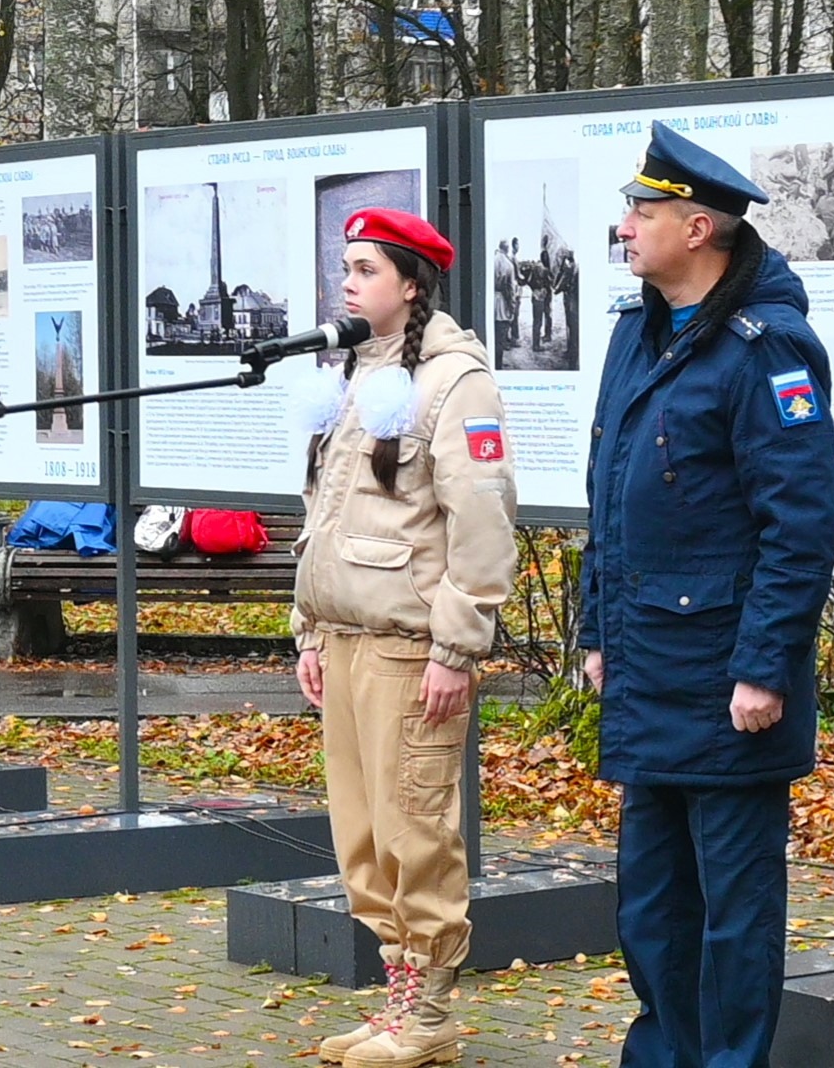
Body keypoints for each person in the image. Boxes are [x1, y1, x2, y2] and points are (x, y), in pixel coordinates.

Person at [581, 120, 834, 1067]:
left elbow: (802, 526)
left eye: (643, 210)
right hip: (649, 666)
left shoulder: (765, 348)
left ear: (697, 229)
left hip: (730, 680)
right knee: (650, 906)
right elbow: (608, 488)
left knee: (733, 916)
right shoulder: (637, 333)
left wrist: (767, 667)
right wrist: (596, 625)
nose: (627, 226)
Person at [292, 208, 519, 1068]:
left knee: (414, 829)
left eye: (363, 269)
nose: (345, 284)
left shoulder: (455, 381)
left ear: (411, 283)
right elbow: (327, 513)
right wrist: (308, 628)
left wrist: (457, 648)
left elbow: (483, 520)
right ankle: (395, 1005)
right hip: (346, 638)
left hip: (408, 649)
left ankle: (429, 1018)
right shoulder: (357, 372)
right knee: (363, 839)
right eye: (344, 268)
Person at [493, 239, 518, 357]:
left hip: (492, 300)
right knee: (499, 339)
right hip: (501, 303)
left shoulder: (492, 260)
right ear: (507, 248)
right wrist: (512, 307)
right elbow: (511, 289)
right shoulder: (508, 265)